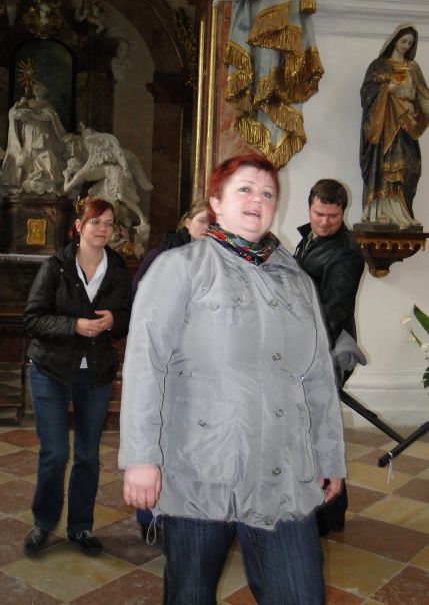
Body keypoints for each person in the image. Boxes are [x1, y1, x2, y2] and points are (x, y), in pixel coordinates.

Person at [119, 153, 345, 604]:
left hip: (282, 469)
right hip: (201, 468)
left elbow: (318, 375)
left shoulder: (296, 281)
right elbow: (146, 364)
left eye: (268, 193)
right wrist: (141, 458)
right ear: (216, 202)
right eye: (245, 189)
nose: (257, 200)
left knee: (300, 596)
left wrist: (328, 455)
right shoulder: (180, 267)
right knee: (190, 594)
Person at [23, 197, 132, 557]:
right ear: (79, 226)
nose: (102, 229)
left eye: (109, 224)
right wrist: (74, 325)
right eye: (95, 222)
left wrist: (114, 321)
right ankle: (43, 522)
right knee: (55, 453)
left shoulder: (118, 269)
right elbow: (33, 318)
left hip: (95, 372)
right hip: (51, 369)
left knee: (87, 455)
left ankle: (81, 527)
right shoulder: (55, 267)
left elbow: (129, 316)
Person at [131, 198, 211, 540]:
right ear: (187, 222)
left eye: (214, 223)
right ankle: (149, 516)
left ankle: (187, 513)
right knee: (159, 438)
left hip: (201, 368)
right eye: (203, 221)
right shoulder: (163, 256)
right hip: (167, 360)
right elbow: (142, 301)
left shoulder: (218, 261)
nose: (208, 228)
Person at [294, 179, 364, 536]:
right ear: (310, 208)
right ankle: (328, 513)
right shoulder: (309, 238)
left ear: (343, 213)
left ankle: (326, 516)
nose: (324, 222)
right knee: (312, 428)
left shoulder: (346, 254)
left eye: (332, 216)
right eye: (319, 214)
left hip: (326, 350)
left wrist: (302, 350)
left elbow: (332, 313)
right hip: (310, 345)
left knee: (319, 430)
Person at [360, 23, 429, 229]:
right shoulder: (379, 66)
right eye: (403, 41)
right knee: (385, 166)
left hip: (407, 122)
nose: (406, 45)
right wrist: (386, 89)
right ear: (394, 40)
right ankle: (380, 211)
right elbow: (366, 93)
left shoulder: (413, 68)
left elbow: (423, 95)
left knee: (409, 168)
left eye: (410, 43)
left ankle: (403, 213)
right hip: (385, 123)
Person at [2, 81, 67, 195]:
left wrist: (33, 115)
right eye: (35, 88)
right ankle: (27, 180)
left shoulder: (47, 105)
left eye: (40, 88)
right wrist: (18, 111)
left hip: (42, 135)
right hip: (29, 135)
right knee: (27, 158)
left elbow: (49, 116)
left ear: (44, 91)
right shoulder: (28, 103)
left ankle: (51, 181)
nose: (37, 90)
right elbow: (15, 114)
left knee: (49, 159)